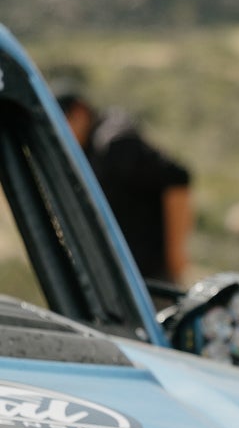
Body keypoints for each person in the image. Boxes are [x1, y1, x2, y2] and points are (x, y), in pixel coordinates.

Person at [55, 90, 193, 289]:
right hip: (121, 276)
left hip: (150, 279)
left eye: (63, 121)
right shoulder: (90, 148)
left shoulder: (114, 143)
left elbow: (177, 179)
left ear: (80, 112)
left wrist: (176, 253)